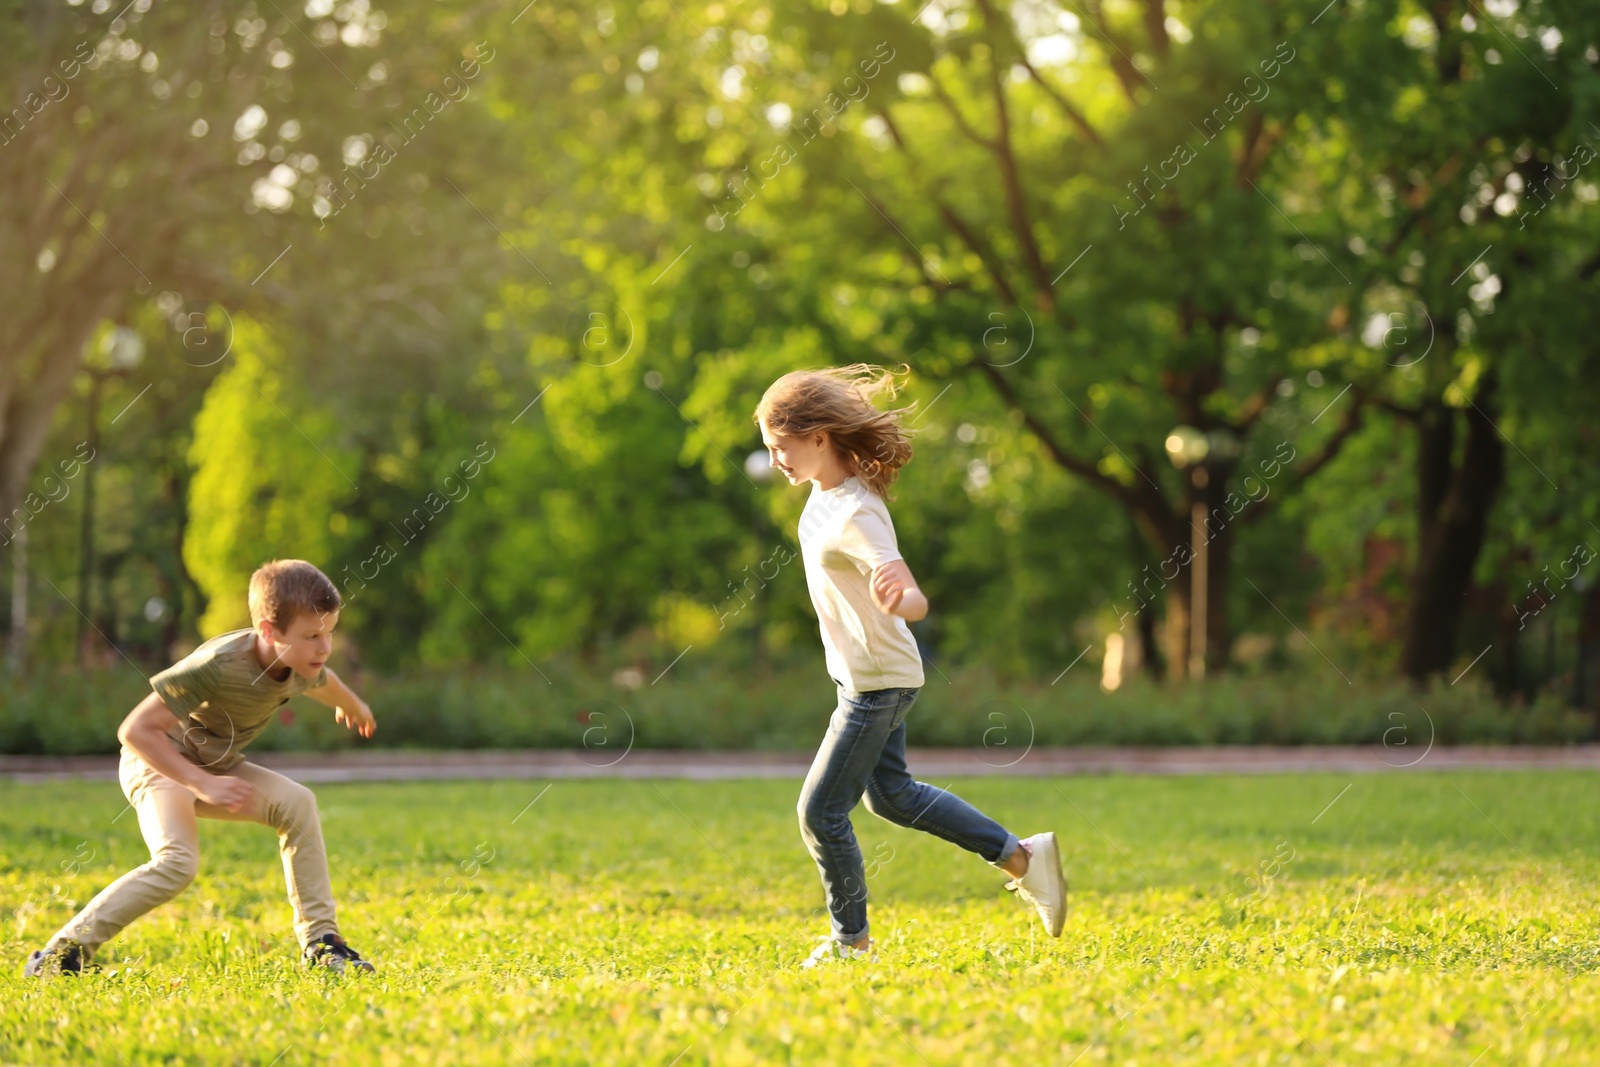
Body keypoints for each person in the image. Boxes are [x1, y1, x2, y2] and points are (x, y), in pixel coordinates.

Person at [754, 364, 1067, 968]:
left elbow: (910, 594)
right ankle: (1024, 857)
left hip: (877, 686)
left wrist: (906, 597)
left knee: (820, 812)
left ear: (818, 436)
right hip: (867, 677)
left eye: (781, 448)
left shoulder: (857, 513)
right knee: (891, 797)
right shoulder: (824, 496)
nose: (775, 462)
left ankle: (852, 944)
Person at [24, 559, 378, 977]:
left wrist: (353, 705)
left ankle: (322, 946)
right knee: (177, 862)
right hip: (159, 763)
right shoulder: (217, 665)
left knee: (298, 804)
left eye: (330, 632)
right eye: (312, 636)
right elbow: (135, 730)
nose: (324, 647)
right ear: (268, 631)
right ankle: (59, 955)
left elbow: (324, 681)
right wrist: (200, 782)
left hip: (216, 766)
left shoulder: (301, 662)